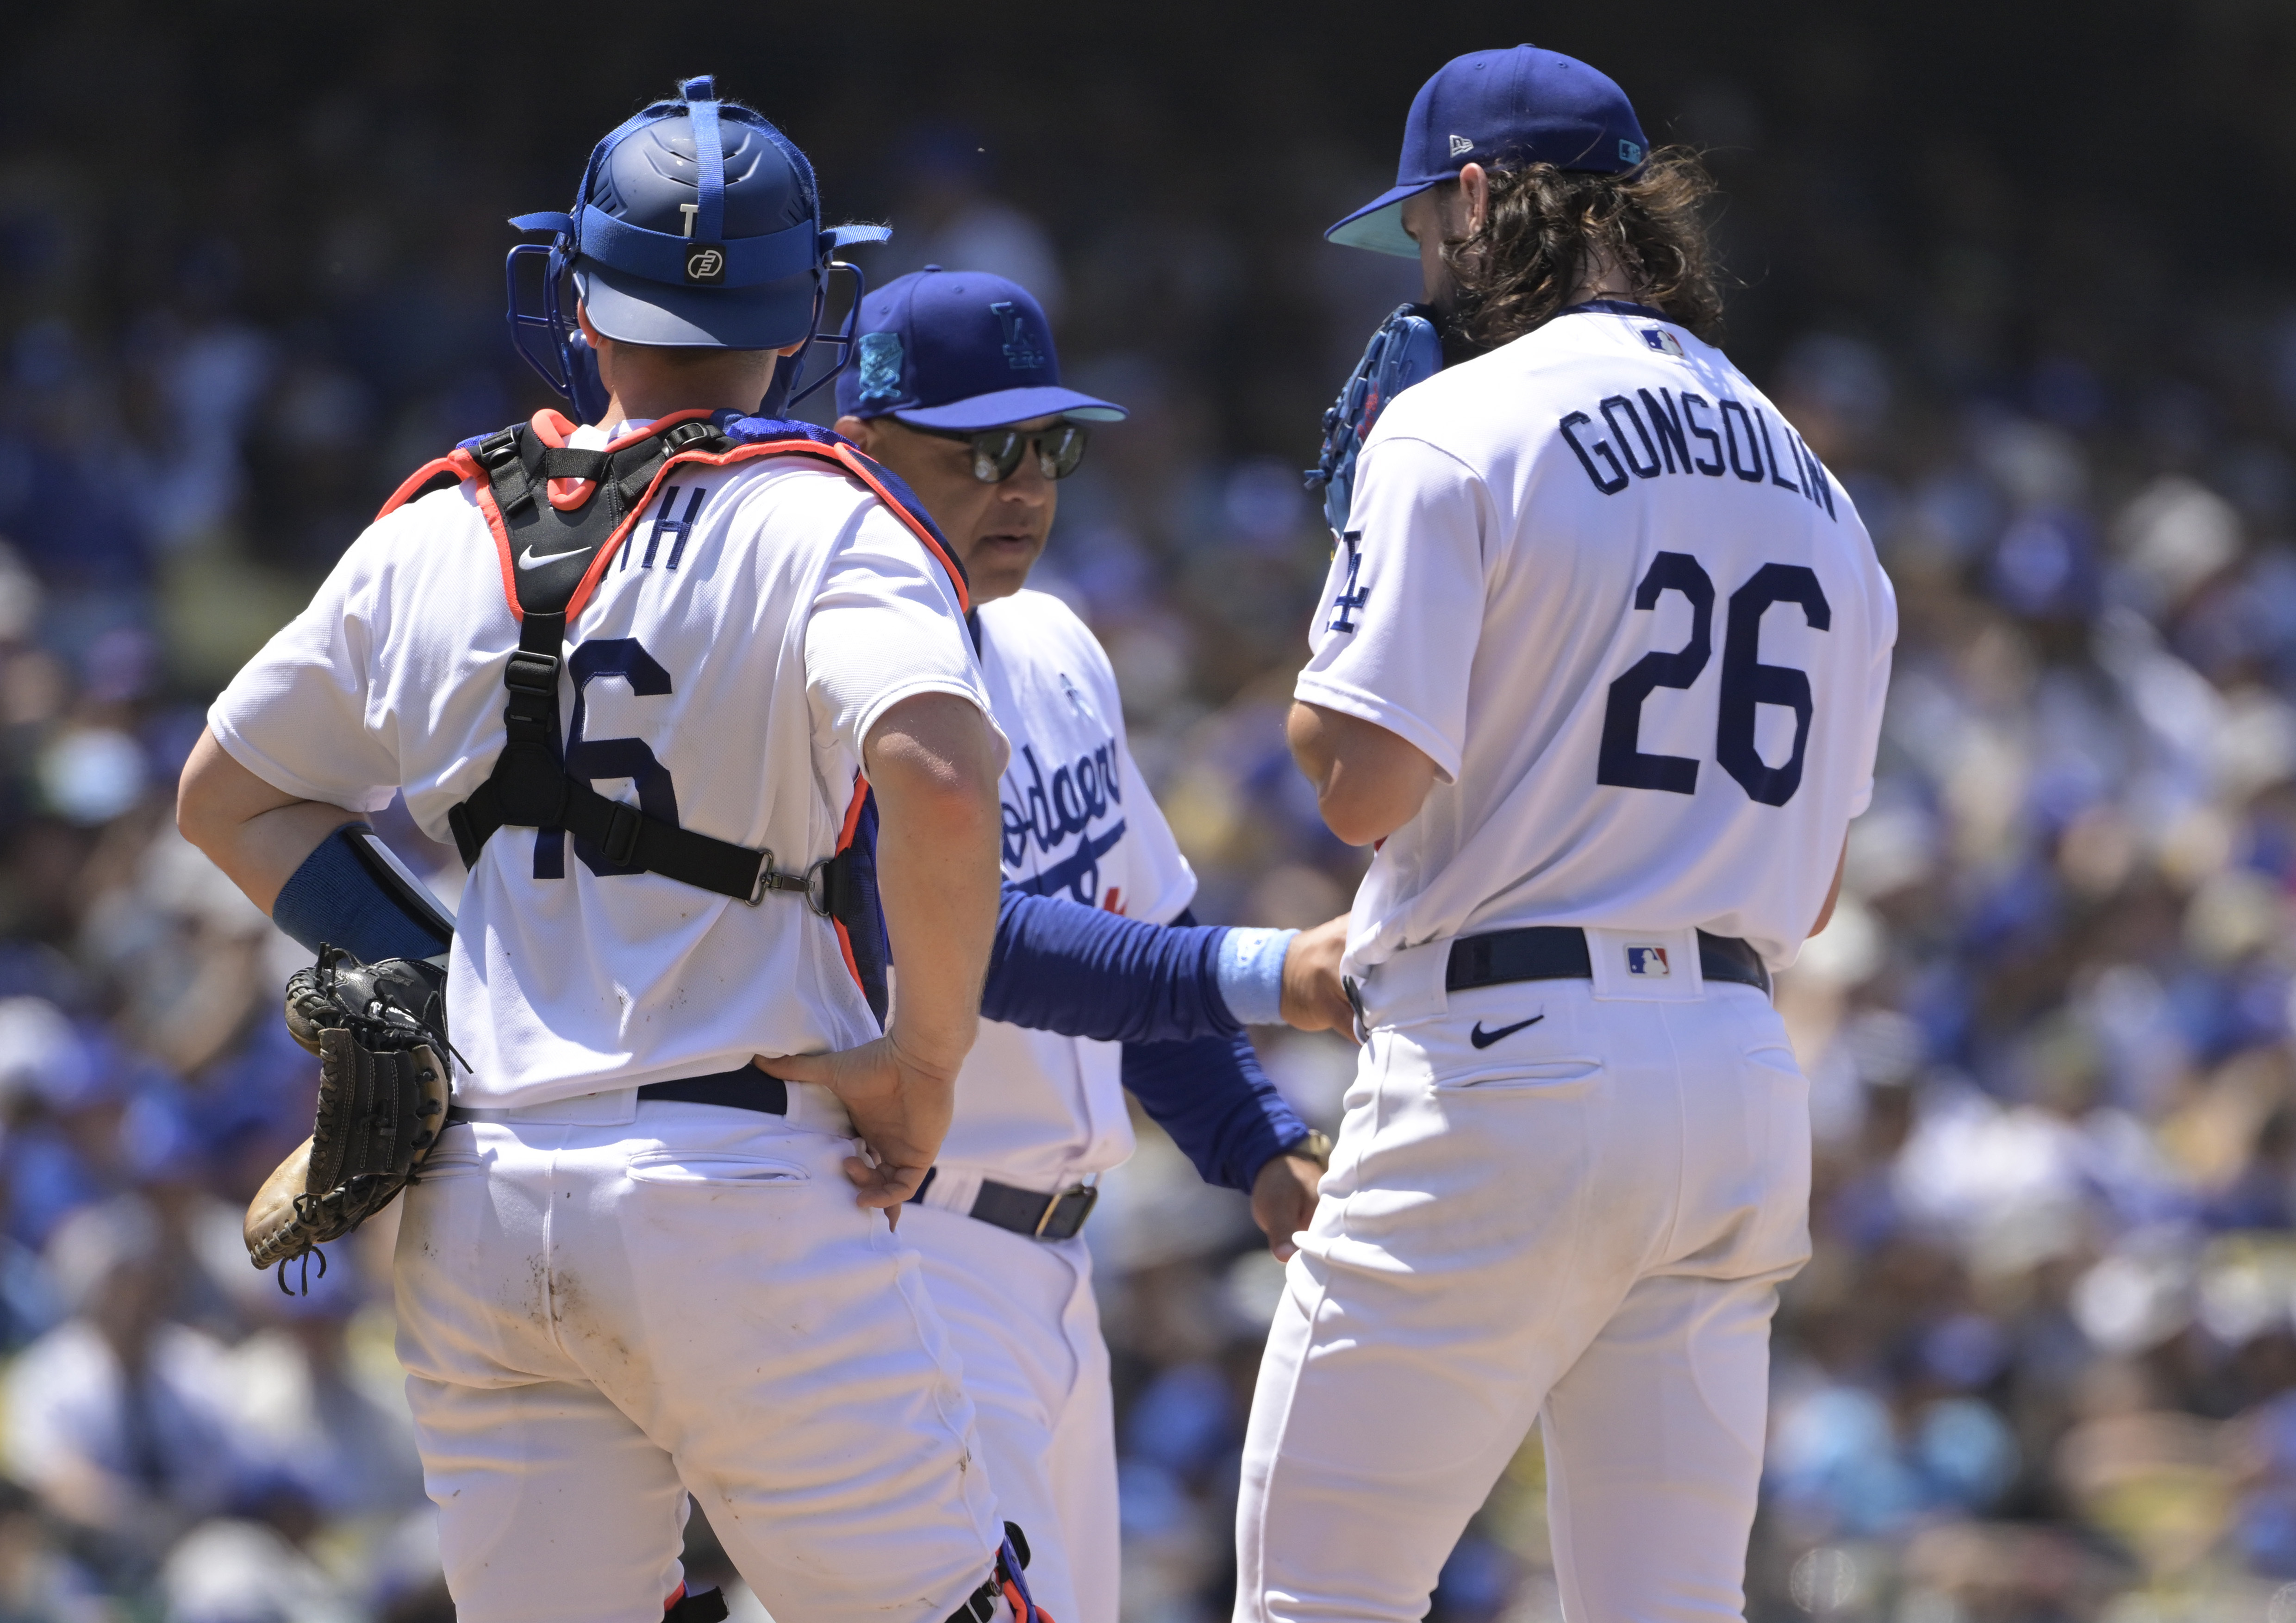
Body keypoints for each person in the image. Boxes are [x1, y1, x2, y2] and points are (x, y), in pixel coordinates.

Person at [176, 78, 1029, 1623]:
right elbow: (943, 778)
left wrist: (441, 982)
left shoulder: (435, 527)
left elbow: (228, 797)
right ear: (812, 301)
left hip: (482, 1193)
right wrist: (927, 1063)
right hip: (738, 1181)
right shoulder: (823, 516)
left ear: (570, 289)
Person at [1235, 45, 1897, 1623]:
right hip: (1737, 1070)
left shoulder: (1459, 423)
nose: (1424, 266)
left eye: (1423, 230)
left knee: (1319, 1597)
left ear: (1475, 198)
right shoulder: (1818, 480)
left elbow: (1363, 789)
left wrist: (1348, 567)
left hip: (1508, 1060)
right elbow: (1812, 879)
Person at [829, 267, 1329, 1623]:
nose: (1027, 485)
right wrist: (1269, 970)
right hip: (906, 1259)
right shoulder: (836, 674)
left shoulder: (1052, 640)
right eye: (982, 450)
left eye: (1048, 443)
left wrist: (1256, 1143)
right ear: (864, 451)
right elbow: (974, 942)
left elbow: (1138, 925)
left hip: (1056, 1271)